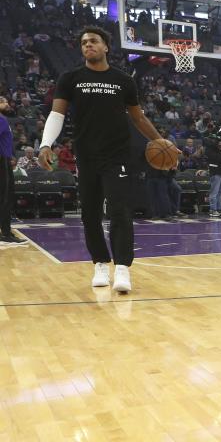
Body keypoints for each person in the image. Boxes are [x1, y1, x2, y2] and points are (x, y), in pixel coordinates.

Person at [39, 26, 177, 293]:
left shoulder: (123, 80)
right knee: (90, 214)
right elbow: (57, 115)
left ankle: (122, 268)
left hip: (117, 155)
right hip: (86, 155)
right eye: (84, 42)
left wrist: (161, 141)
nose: (87, 45)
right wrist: (46, 144)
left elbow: (138, 117)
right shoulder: (70, 78)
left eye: (93, 41)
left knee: (120, 210)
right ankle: (100, 263)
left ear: (105, 47)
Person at [0, 95, 27, 246]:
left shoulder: (4, 119)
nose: (7, 103)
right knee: (5, 197)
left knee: (4, 197)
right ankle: (5, 232)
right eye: (3, 101)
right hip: (2, 160)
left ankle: (4, 230)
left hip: (5, 159)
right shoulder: (1, 119)